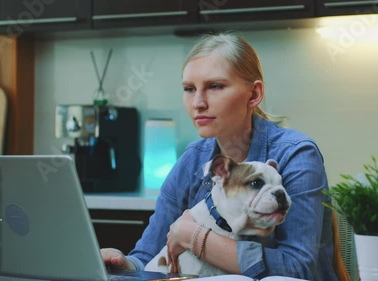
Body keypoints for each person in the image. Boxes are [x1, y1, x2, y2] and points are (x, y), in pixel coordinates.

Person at [101, 33, 338, 281]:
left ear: (254, 94)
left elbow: (297, 269)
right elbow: (149, 255)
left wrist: (195, 237)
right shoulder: (192, 159)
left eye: (215, 86)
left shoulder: (296, 154)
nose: (198, 102)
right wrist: (123, 263)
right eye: (189, 89)